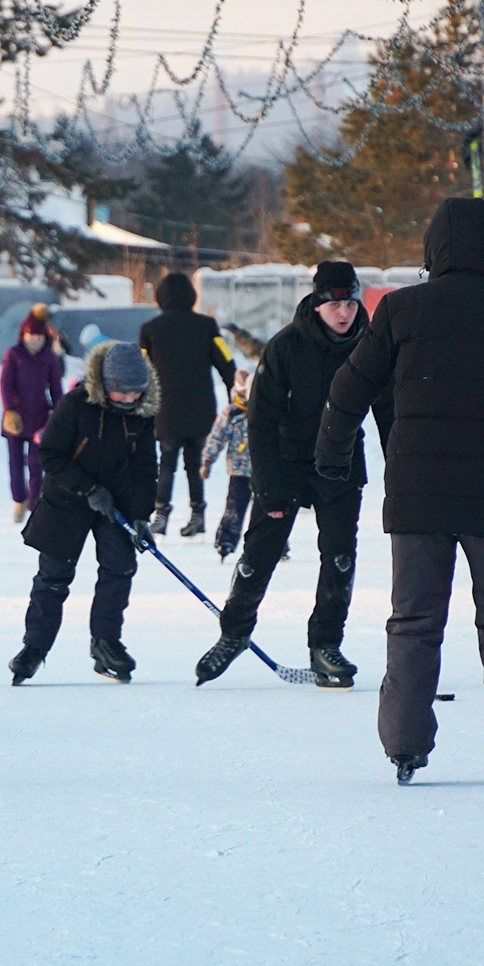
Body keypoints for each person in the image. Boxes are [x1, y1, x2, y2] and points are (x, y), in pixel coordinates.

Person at [315, 197, 484, 785]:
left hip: (418, 495)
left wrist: (330, 456)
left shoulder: (400, 311)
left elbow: (350, 387)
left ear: (432, 250)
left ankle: (405, 745)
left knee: (414, 617)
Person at [194, 262, 371, 689]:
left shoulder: (369, 346)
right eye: (335, 305)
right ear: (316, 304)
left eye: (350, 303)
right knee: (259, 555)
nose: (344, 313)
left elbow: (390, 411)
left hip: (341, 464)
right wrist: (268, 486)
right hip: (287, 463)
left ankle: (325, 646)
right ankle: (234, 631)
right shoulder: (285, 346)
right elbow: (260, 420)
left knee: (340, 559)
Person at [9, 341, 158, 685]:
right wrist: (89, 490)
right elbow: (50, 455)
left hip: (116, 500)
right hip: (68, 496)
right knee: (53, 576)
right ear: (106, 385)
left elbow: (145, 468)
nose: (130, 400)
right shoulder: (76, 404)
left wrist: (140, 516)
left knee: (119, 569)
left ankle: (106, 643)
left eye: (137, 392)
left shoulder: (144, 413)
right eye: (122, 392)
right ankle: (34, 648)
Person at [139, 272, 237, 538]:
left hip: (166, 410)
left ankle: (160, 516)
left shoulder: (150, 330)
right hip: (201, 409)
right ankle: (198, 515)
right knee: (196, 463)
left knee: (167, 463)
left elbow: (140, 370)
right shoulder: (207, 326)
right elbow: (226, 362)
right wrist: (235, 397)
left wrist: (138, 406)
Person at [0, 308, 64, 522]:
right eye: (31, 336)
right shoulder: (14, 354)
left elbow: (55, 388)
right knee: (15, 463)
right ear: (23, 335)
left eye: (38, 336)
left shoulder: (49, 358)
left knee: (37, 464)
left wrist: (60, 411)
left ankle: (34, 504)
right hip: (15, 418)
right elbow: (6, 384)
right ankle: (19, 499)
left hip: (40, 418)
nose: (34, 340)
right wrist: (9, 409)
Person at [199, 369, 252, 561]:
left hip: (265, 469)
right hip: (239, 470)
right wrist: (207, 461)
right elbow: (216, 438)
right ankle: (226, 540)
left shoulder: (266, 410)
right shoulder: (231, 414)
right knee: (235, 506)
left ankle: (276, 544)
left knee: (270, 508)